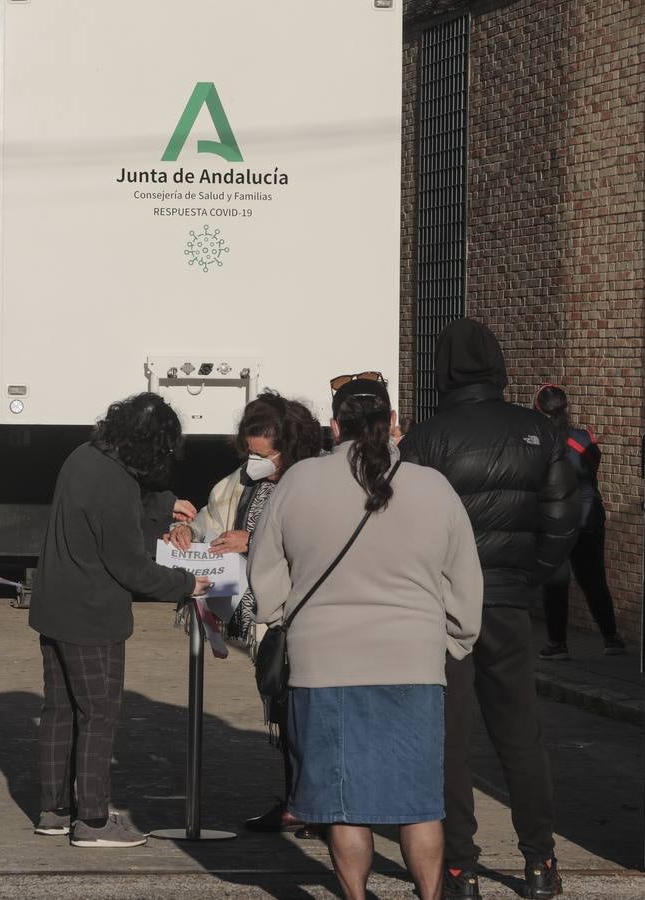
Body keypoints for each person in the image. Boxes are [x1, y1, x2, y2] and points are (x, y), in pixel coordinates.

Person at [250, 375, 483, 900]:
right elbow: (465, 579)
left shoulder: (299, 482)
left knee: (341, 802)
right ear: (392, 423)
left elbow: (264, 571)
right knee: (419, 802)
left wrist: (284, 613)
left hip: (324, 663)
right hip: (414, 663)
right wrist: (455, 640)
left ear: (335, 425)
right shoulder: (433, 486)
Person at [398, 319, 579, 900]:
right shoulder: (541, 432)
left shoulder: (426, 440)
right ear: (499, 365)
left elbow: (405, 525)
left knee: (449, 739)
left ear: (443, 368)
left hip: (445, 605)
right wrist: (533, 576)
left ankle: (460, 866)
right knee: (521, 734)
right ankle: (539, 862)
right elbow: (562, 516)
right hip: (508, 601)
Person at [31, 392, 209, 849]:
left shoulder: (84, 456)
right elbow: (129, 565)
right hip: (92, 615)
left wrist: (166, 503)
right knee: (99, 714)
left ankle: (54, 811)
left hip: (53, 605)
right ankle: (91, 820)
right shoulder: (113, 482)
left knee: (60, 711)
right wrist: (185, 584)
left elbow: (126, 510)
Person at [166, 391, 323, 836]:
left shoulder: (313, 481)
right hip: (265, 620)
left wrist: (251, 543)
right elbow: (213, 517)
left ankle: (320, 805)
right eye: (250, 452)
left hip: (306, 613)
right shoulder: (244, 480)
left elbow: (316, 540)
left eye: (264, 453)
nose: (254, 461)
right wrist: (186, 529)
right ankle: (298, 801)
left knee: (311, 711)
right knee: (284, 706)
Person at [533, 384, 627, 659]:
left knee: (556, 581)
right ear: (567, 408)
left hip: (555, 518)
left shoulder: (538, 441)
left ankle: (558, 644)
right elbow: (592, 467)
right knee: (594, 579)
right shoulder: (584, 438)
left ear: (538, 410)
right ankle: (612, 639)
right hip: (589, 514)